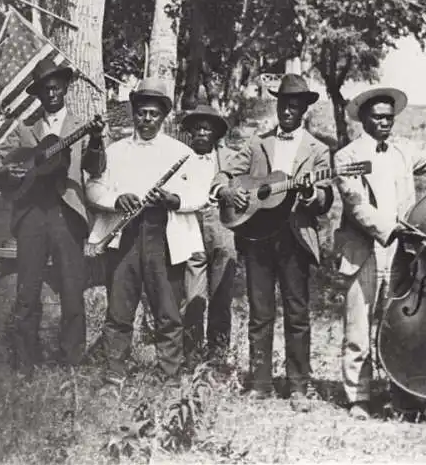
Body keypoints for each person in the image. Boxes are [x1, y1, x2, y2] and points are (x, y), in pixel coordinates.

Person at [333, 86, 426, 419]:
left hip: (401, 254)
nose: (385, 123)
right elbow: (357, 206)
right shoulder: (346, 156)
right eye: (378, 117)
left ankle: (398, 391)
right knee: (358, 327)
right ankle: (358, 397)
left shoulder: (403, 151)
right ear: (364, 119)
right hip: (364, 252)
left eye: (390, 117)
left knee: (397, 325)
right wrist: (392, 228)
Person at [211, 74, 334, 412]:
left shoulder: (318, 150)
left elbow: (325, 198)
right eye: (283, 104)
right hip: (257, 238)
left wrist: (310, 193)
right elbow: (224, 173)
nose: (288, 111)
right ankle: (260, 383)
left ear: (304, 110)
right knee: (259, 312)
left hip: (295, 238)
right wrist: (228, 191)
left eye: (294, 106)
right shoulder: (257, 142)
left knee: (297, 313)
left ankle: (297, 386)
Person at [86, 78, 208, 390]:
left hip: (164, 236)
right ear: (134, 114)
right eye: (142, 113)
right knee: (120, 307)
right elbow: (93, 187)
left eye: (154, 113)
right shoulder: (116, 150)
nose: (147, 120)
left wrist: (174, 200)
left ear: (164, 115)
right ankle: (114, 373)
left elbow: (200, 193)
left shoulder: (182, 153)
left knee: (167, 308)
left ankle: (168, 374)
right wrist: (117, 199)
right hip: (125, 235)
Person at [0, 58, 106, 372]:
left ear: (65, 88)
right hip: (32, 214)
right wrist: (4, 169)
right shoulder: (26, 128)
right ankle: (25, 361)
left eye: (56, 87)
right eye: (45, 89)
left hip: (67, 214)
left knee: (71, 288)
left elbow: (96, 168)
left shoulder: (80, 126)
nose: (52, 93)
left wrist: (95, 139)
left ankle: (71, 362)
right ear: (38, 94)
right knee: (28, 289)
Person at [179, 104, 238, 367]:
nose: (202, 133)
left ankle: (218, 356)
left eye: (208, 128)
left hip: (222, 224)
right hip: (190, 224)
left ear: (216, 133)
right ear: (190, 132)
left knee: (221, 292)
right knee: (193, 295)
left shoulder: (231, 158)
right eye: (197, 128)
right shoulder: (180, 157)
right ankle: (191, 354)